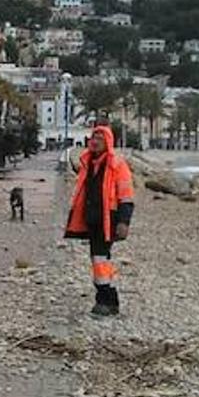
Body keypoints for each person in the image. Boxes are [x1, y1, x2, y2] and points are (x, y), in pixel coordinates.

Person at [63, 124, 135, 317]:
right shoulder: (88, 162)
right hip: (92, 219)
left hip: (108, 219)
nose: (94, 142)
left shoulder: (117, 165)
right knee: (100, 258)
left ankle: (105, 300)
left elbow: (126, 196)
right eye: (93, 138)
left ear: (108, 142)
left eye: (100, 139)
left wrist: (123, 222)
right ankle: (109, 300)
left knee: (100, 258)